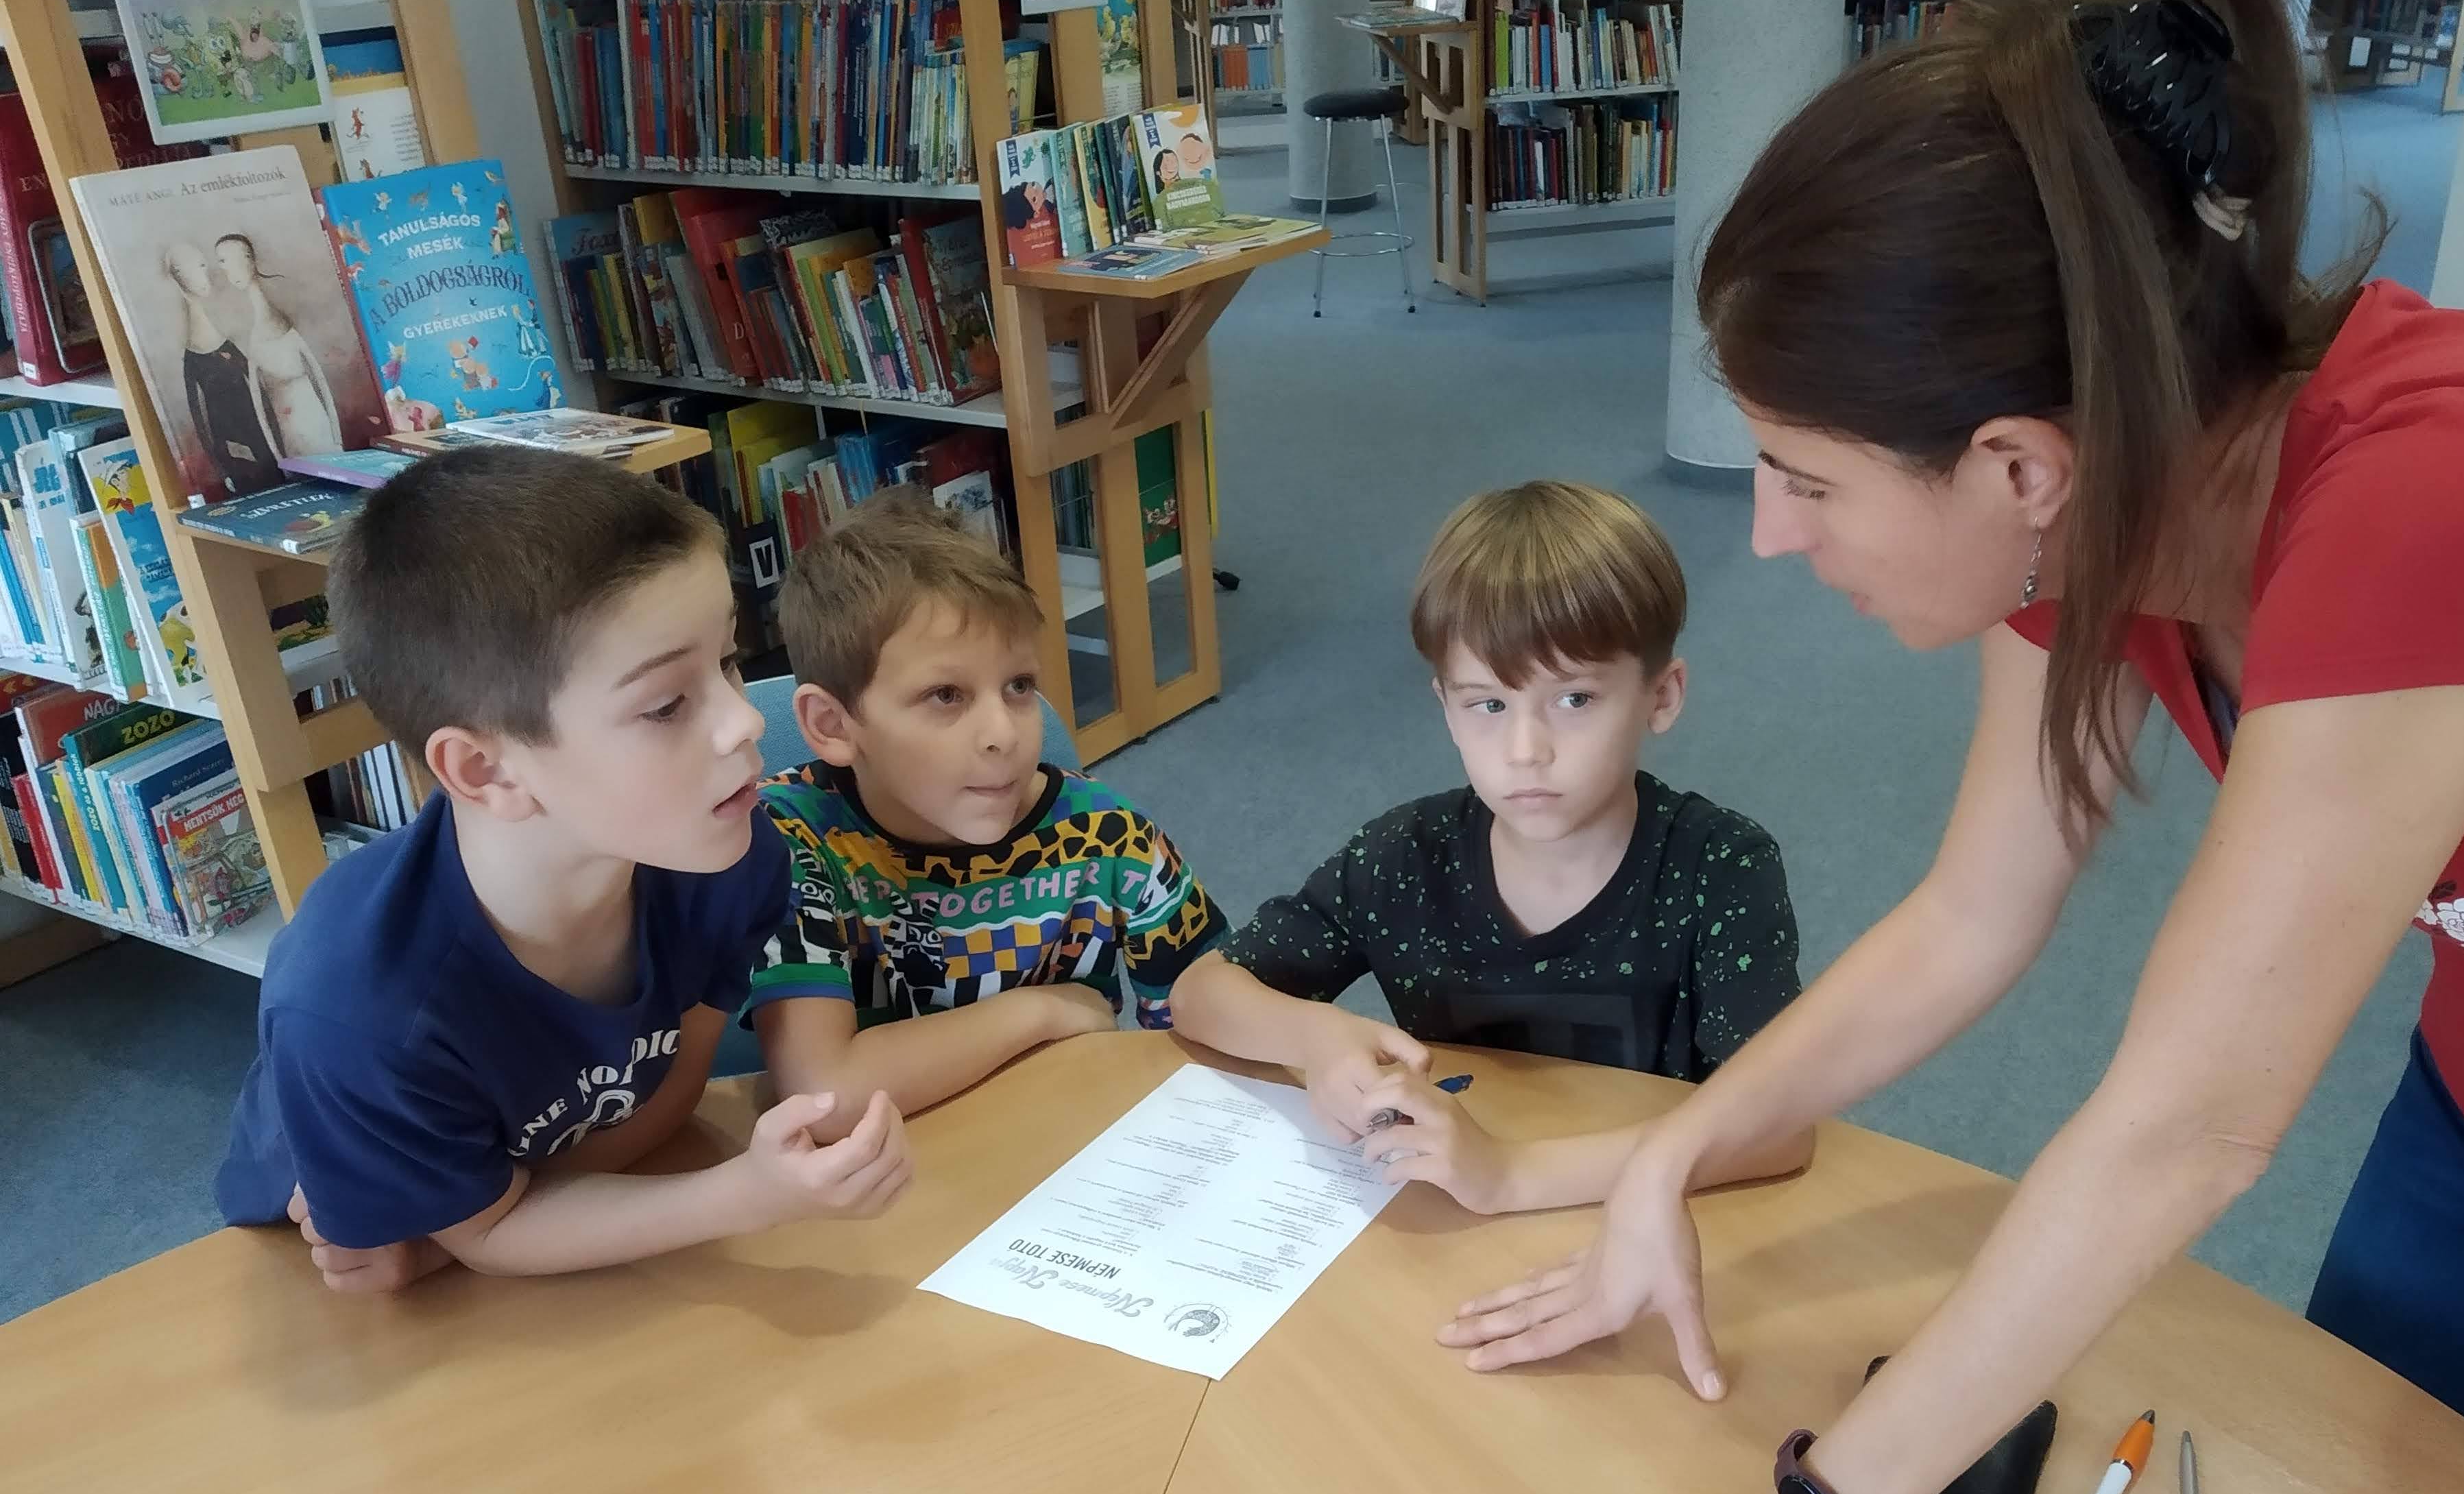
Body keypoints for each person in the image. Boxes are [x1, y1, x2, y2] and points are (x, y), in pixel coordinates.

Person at [1437, 0, 2464, 1494]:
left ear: (2014, 464)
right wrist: (1679, 1149)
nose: (1773, 537)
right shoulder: (2107, 494)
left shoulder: (2428, 513)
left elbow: (2186, 1128)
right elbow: (1973, 912)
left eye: (1805, 477)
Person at [215, 448, 910, 1293]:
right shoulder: (355, 1009)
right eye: (666, 704)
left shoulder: (730, 859)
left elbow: (663, 1097)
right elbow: (480, 1234)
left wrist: (467, 1231)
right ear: (487, 770)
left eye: (727, 660)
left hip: (518, 1208)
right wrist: (745, 1195)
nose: (743, 721)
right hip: (330, 1247)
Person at [1169, 481, 1811, 1215]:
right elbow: (1200, 994)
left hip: (1647, 1222)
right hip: (1456, 1222)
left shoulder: (1720, 867)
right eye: (1489, 704)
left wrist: (1511, 1175)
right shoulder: (1404, 858)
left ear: (1660, 697)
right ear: (1446, 708)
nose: (1525, 750)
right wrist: (1315, 1037)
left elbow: (1778, 1127)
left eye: (1574, 699)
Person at [748, 490, 1229, 1122]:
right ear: (833, 725)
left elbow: (1214, 1025)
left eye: (1019, 686)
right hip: (901, 1168)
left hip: (1061, 1142)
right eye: (946, 695)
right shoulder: (787, 841)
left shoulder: (1109, 838)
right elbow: (824, 1097)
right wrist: (1043, 1011)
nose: (1004, 733)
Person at [164, 241, 279, 496]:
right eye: (187, 269)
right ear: (177, 277)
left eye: (202, 266)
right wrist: (222, 469)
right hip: (235, 456)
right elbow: (200, 419)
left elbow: (261, 397)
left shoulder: (228, 343)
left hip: (265, 446)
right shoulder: (194, 359)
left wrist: (278, 447)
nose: (203, 275)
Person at [213, 232, 343, 458]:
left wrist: (337, 438)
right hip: (288, 436)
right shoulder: (242, 331)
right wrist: (277, 455)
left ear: (251, 259)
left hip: (316, 424)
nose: (230, 270)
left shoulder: (282, 320)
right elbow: (259, 404)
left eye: (237, 258)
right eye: (223, 262)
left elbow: (319, 379)